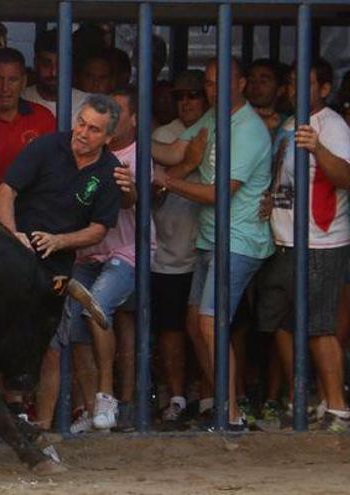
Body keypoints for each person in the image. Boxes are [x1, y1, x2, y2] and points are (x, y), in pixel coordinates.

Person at [153, 57, 274, 430]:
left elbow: (221, 192)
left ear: (240, 85)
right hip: (211, 238)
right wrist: (128, 140)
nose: (212, 90)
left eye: (219, 83)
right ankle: (225, 401)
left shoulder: (250, 130)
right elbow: (177, 153)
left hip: (238, 240)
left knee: (210, 322)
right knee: (196, 321)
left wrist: (168, 182)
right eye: (207, 84)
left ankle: (231, 415)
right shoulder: (213, 118)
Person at [0, 94, 123, 431]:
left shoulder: (110, 172)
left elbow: (98, 229)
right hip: (17, 256)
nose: (82, 132)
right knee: (7, 335)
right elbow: (6, 190)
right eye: (81, 123)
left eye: (94, 130)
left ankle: (44, 425)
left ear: (109, 138)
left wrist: (60, 241)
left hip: (58, 266)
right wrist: (12, 234)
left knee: (51, 344)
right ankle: (10, 412)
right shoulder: (46, 147)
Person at [258, 59, 350, 432]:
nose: (295, 89)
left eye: (305, 83)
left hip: (320, 240)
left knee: (318, 326)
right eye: (292, 82)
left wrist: (318, 149)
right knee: (284, 322)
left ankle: (338, 409)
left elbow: (346, 175)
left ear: (324, 89)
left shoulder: (332, 125)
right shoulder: (287, 124)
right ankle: (306, 399)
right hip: (287, 239)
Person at [59, 87, 151, 432]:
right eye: (83, 124)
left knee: (96, 307)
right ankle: (87, 407)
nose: (85, 131)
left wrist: (127, 188)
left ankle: (107, 396)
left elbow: (130, 202)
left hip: (125, 251)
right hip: (86, 251)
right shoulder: (74, 153)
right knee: (75, 323)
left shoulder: (135, 155)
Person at [150, 70, 208, 428]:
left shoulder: (218, 131)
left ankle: (210, 395)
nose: (186, 101)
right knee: (171, 329)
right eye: (180, 95)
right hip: (169, 249)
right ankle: (176, 396)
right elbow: (153, 192)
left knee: (212, 326)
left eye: (194, 95)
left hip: (207, 246)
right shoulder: (163, 137)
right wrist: (188, 164)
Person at [0, 48, 54, 212]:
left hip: (30, 221)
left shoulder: (43, 118)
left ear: (24, 82)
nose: (5, 88)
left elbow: (54, 174)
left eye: (12, 80)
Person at [21, 29, 89, 123]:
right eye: (46, 64)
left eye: (60, 65)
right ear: (36, 63)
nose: (53, 73)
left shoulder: (86, 103)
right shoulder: (21, 99)